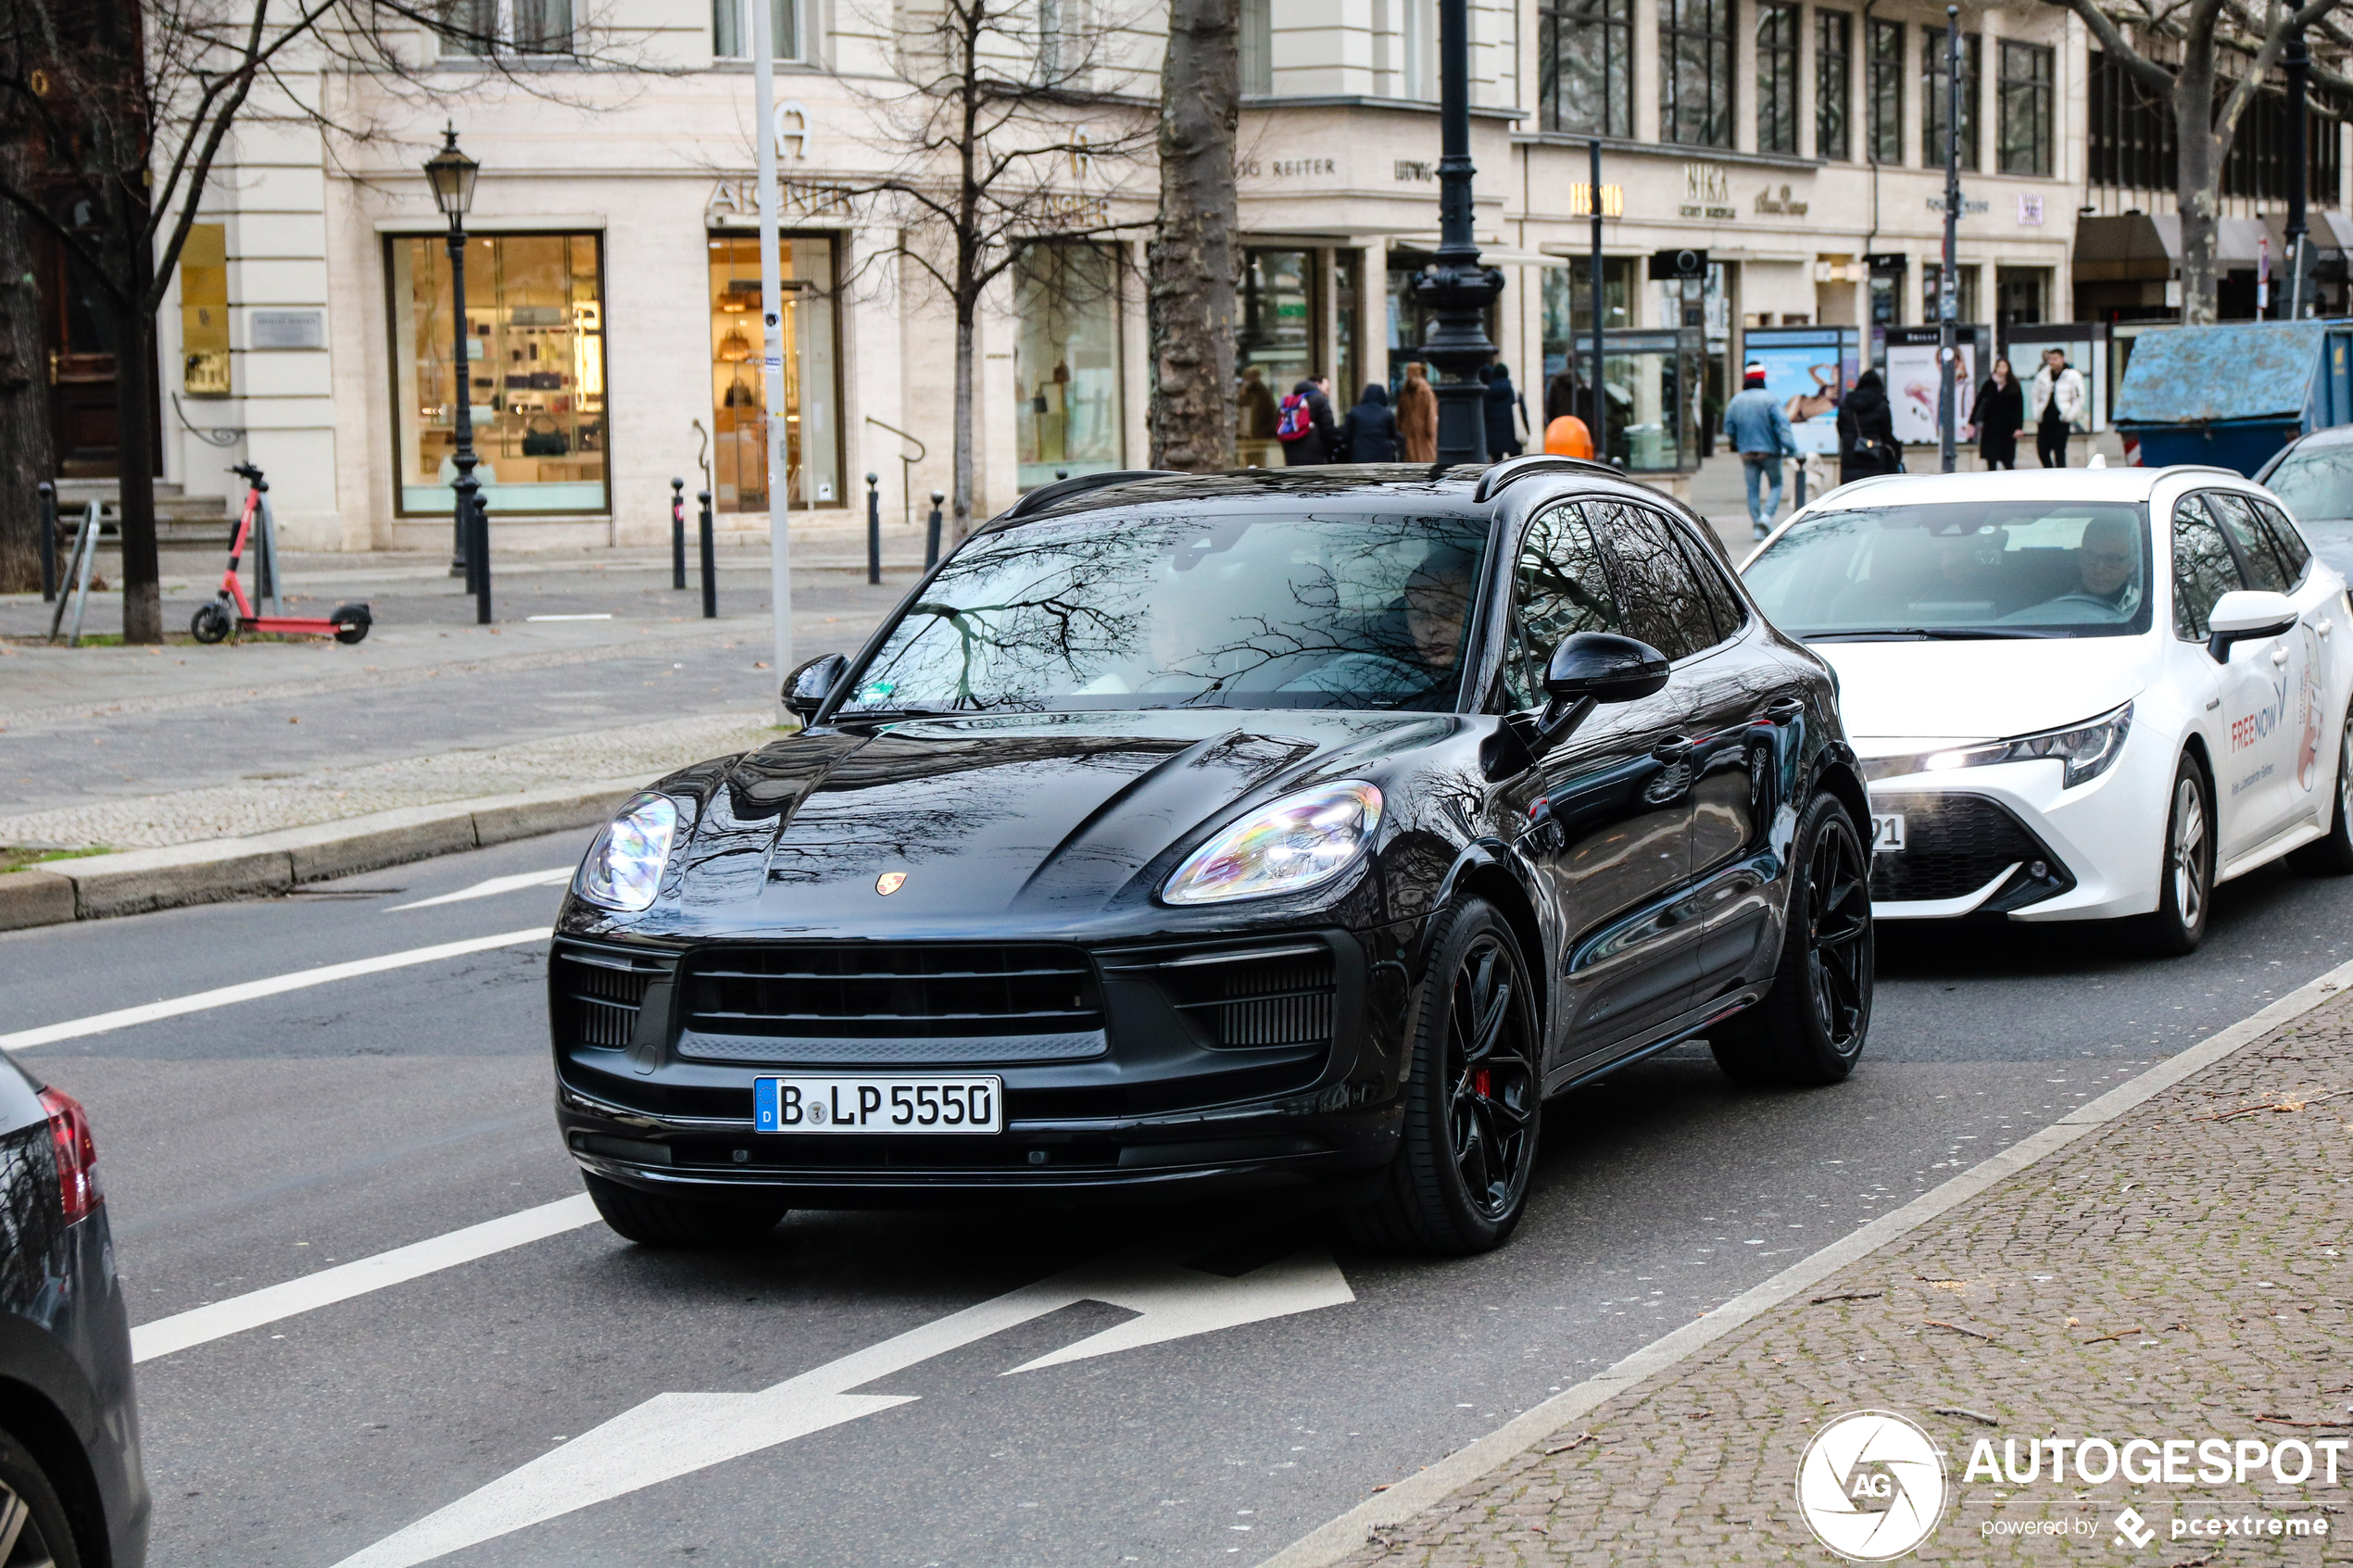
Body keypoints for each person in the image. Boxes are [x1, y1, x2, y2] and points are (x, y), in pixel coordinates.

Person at [1723, 360, 1800, 538]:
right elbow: (1782, 426)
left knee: (1752, 490)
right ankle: (1766, 518)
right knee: (1776, 484)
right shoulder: (1770, 399)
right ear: (1762, 379)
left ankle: (1757, 527)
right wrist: (1791, 449)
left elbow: (1729, 428)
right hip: (1770, 451)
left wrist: (1739, 443)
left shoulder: (1736, 401)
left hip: (1747, 452)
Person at [1836, 369, 1900, 484]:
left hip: (1850, 464)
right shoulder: (1882, 405)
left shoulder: (1847, 404)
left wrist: (1852, 442)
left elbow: (1840, 428)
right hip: (1874, 461)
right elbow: (1887, 434)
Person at [2031, 347, 2086, 469]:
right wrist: (2036, 413)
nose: (2052, 362)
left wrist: (2069, 415)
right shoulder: (2042, 376)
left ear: (2062, 359)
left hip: (2061, 419)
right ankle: (2049, 470)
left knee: (2059, 450)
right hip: (2045, 418)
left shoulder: (2072, 376)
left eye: (2055, 359)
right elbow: (2035, 396)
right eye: (2050, 359)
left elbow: (2079, 398)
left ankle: (2061, 474)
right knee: (2042, 450)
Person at [1969, 358, 2024, 470]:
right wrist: (1972, 421)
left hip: (2008, 427)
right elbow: (1979, 401)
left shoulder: (2014, 385)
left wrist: (2019, 427)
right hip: (1991, 426)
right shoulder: (1989, 384)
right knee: (1991, 458)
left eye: (2003, 366)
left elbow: (2019, 408)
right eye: (1998, 366)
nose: (2000, 369)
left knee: (2007, 460)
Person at [1277, 377, 1338, 465]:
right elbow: (1328, 429)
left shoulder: (1287, 403)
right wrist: (1329, 451)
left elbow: (1277, 429)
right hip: (1316, 456)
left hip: (1291, 456)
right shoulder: (1320, 400)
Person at [1336, 382, 1401, 461]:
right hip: (1382, 457)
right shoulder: (1387, 414)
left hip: (1359, 457)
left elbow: (1346, 435)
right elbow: (1392, 435)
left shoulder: (1355, 412)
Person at [1481, 363, 1529, 458]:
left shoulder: (1486, 393)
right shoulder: (1514, 393)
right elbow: (1523, 414)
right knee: (1515, 465)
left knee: (1497, 465)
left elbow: (1484, 416)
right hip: (1514, 436)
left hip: (1493, 438)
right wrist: (1527, 430)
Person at [1396, 362, 1439, 462]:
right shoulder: (1427, 391)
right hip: (1423, 434)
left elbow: (1399, 415)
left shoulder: (1405, 391)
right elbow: (1431, 414)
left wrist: (1399, 429)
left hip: (1408, 433)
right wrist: (1431, 431)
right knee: (1425, 462)